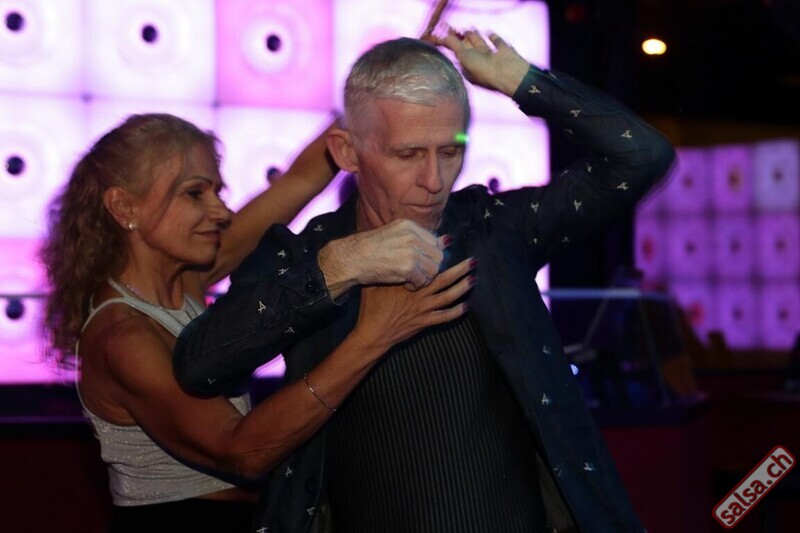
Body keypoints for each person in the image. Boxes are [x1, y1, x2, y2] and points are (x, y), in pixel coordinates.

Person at [173, 28, 677, 532]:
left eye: (451, 151)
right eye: (408, 154)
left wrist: (522, 80)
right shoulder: (308, 256)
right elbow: (199, 366)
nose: (434, 181)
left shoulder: (491, 229)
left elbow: (642, 156)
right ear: (347, 151)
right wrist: (339, 268)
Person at [39, 112, 473, 532]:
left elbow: (302, 179)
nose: (222, 211)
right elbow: (242, 450)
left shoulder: (188, 278)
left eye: (217, 191)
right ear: (123, 206)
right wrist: (371, 339)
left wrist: (377, 102)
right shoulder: (122, 337)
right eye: (195, 193)